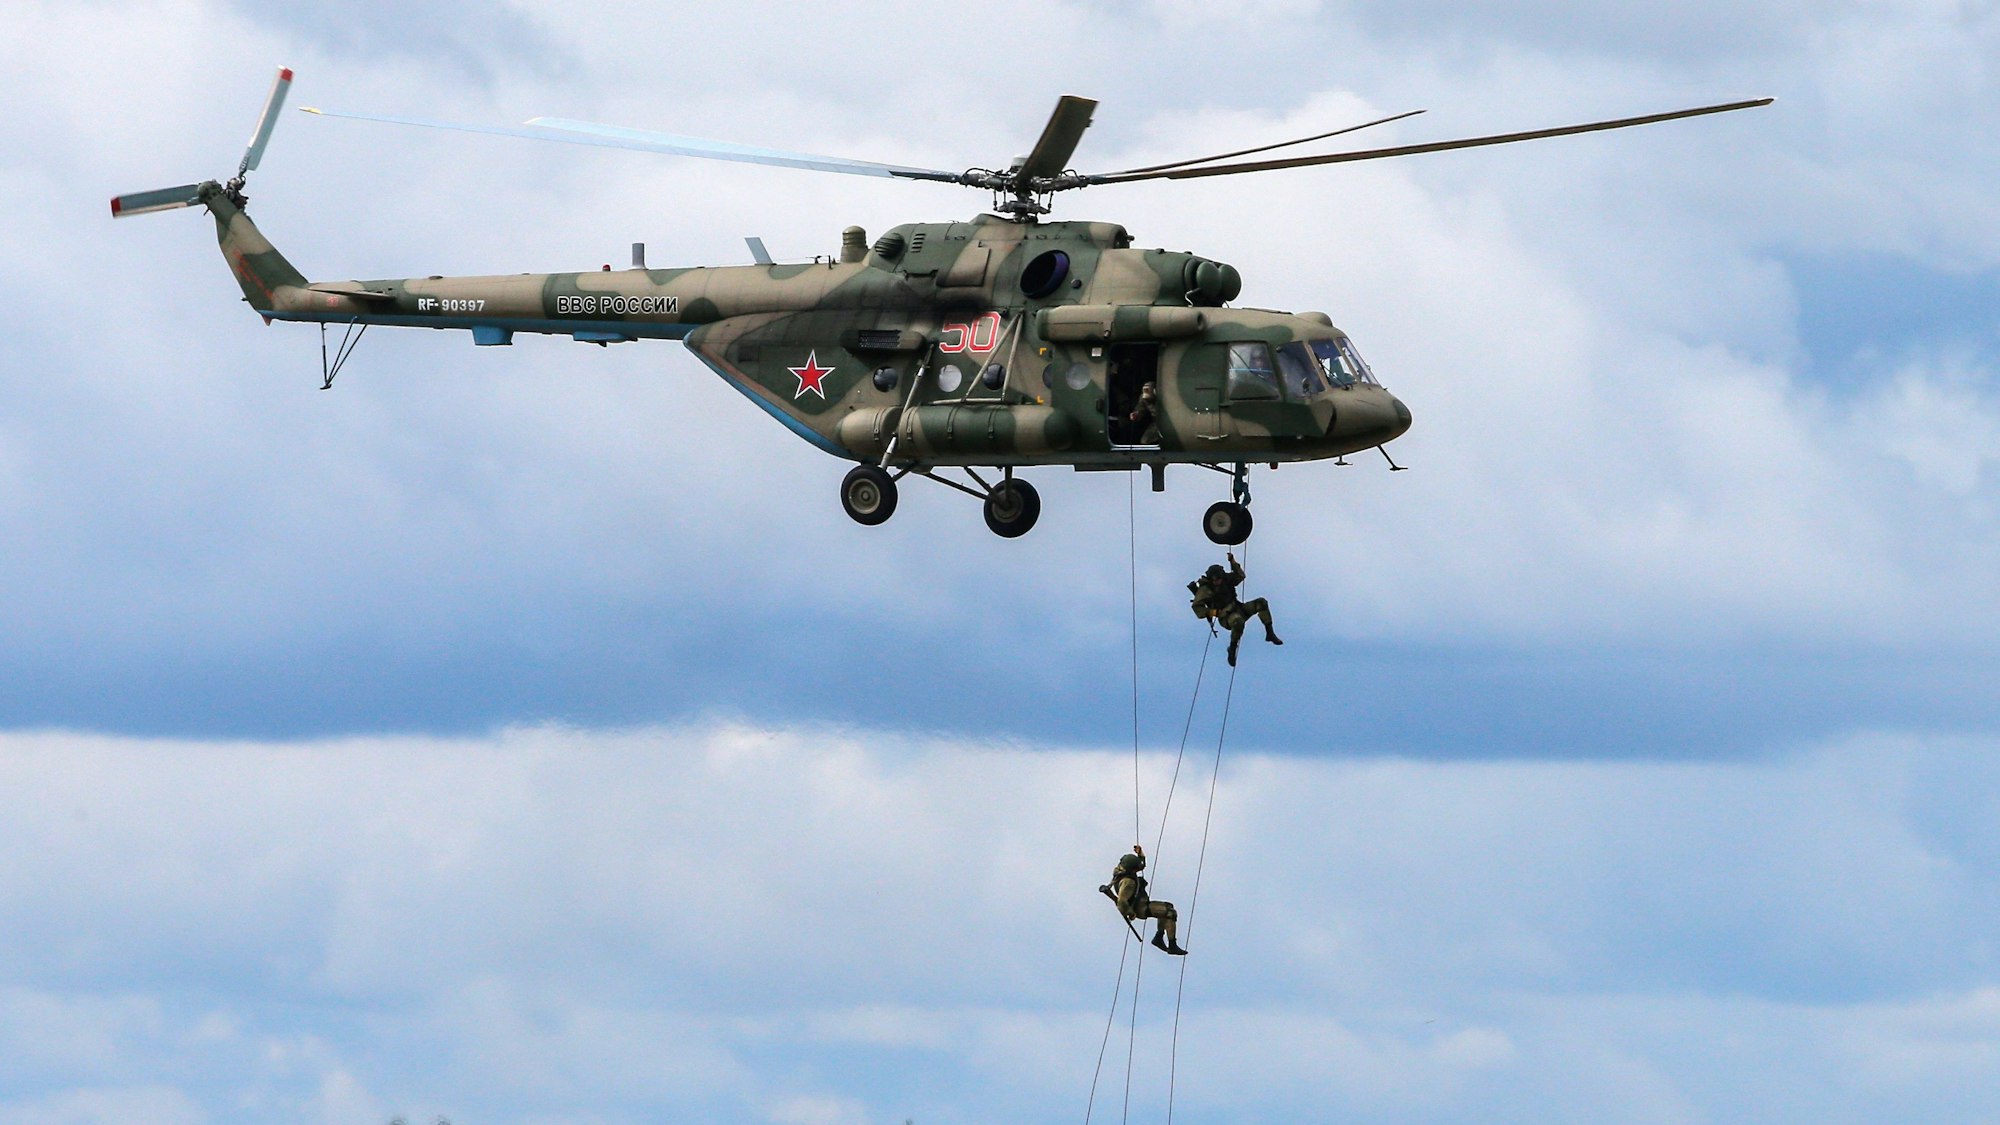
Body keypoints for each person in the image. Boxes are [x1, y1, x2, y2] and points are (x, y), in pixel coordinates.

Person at [1187, 551, 1283, 666]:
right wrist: (1213, 612)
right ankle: (1232, 649)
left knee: (1261, 603)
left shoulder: (1226, 579)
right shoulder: (1206, 589)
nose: (1216, 581)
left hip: (1239, 608)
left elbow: (1240, 576)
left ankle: (1270, 633)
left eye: (1218, 578)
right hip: (1226, 616)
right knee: (1238, 622)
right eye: (1213, 579)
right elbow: (1197, 607)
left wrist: (1232, 561)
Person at [1100, 845, 1187, 955]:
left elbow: (1139, 866)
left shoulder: (1121, 870)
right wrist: (1131, 913)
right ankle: (1172, 945)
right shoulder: (1128, 882)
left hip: (1142, 903)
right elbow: (1122, 901)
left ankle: (1159, 937)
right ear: (1132, 869)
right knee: (1169, 912)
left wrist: (1140, 854)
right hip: (1141, 908)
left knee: (1167, 906)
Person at [1127, 380, 1160, 444]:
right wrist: (1136, 414)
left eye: (1147, 390)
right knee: (1145, 441)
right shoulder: (1143, 398)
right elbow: (1140, 409)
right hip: (1156, 423)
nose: (1145, 392)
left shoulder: (1164, 397)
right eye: (1144, 390)